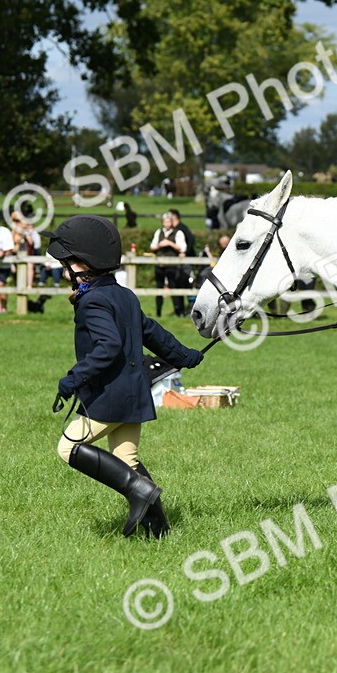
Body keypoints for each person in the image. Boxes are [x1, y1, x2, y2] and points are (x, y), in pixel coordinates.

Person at [46, 214, 205, 538]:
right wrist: (184, 356)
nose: (63, 271)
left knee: (68, 447)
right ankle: (159, 530)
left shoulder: (92, 301)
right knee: (127, 459)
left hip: (111, 396)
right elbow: (151, 332)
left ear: (83, 264)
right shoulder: (125, 295)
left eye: (66, 264)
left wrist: (73, 379)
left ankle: (140, 492)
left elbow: (108, 347)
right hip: (135, 393)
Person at [150, 212, 187, 318]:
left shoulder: (178, 233)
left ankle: (177, 311)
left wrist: (170, 243)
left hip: (172, 264)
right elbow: (152, 246)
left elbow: (182, 248)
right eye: (165, 222)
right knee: (159, 287)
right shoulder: (159, 232)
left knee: (173, 286)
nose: (167, 224)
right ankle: (158, 312)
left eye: (169, 221)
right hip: (160, 264)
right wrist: (160, 245)